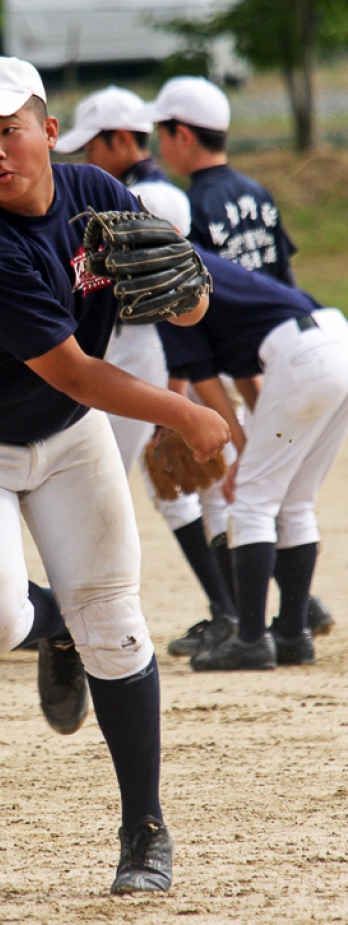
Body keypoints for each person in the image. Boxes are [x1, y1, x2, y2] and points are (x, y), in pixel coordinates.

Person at [0, 55, 230, 894]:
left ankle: (144, 832)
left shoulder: (96, 194)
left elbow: (183, 299)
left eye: (9, 130)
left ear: (48, 130)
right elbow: (78, 372)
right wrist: (185, 413)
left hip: (66, 436)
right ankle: (51, 627)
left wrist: (188, 297)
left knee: (114, 622)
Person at [135, 76, 335, 641]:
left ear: (182, 135)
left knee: (245, 495)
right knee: (285, 498)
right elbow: (280, 282)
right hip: (304, 338)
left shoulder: (183, 235)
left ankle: (244, 631)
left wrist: (192, 421)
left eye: (162, 132)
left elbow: (197, 357)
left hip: (267, 356)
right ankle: (294, 622)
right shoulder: (255, 192)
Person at [56, 87, 238, 653]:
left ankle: (227, 612)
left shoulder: (146, 197)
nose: (87, 159)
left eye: (93, 146)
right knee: (184, 490)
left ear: (119, 140)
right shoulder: (156, 194)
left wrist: (173, 395)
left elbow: (168, 300)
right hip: (142, 354)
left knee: (109, 484)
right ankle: (234, 610)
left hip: (141, 353)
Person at [158, 248, 348, 670]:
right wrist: (248, 450)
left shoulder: (163, 277)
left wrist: (241, 458)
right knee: (295, 501)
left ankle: (250, 640)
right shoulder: (202, 262)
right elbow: (243, 366)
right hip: (335, 342)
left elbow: (204, 376)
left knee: (250, 502)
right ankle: (293, 635)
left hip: (300, 358)